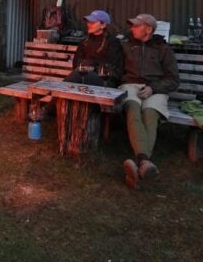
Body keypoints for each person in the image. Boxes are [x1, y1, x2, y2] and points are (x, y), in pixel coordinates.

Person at [119, 13, 179, 190]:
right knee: (133, 108)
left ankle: (139, 166)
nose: (132, 28)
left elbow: (173, 80)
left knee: (150, 114)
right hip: (130, 85)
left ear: (148, 29)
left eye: (136, 26)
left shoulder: (163, 49)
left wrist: (154, 88)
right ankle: (145, 163)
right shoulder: (126, 46)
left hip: (155, 88)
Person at [63, 10, 123, 88]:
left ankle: (57, 92)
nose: (88, 24)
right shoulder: (85, 42)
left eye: (92, 22)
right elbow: (76, 63)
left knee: (78, 75)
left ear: (103, 25)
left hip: (106, 80)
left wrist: (92, 67)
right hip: (84, 77)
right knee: (79, 75)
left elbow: (112, 68)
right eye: (88, 22)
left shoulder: (113, 42)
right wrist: (85, 67)